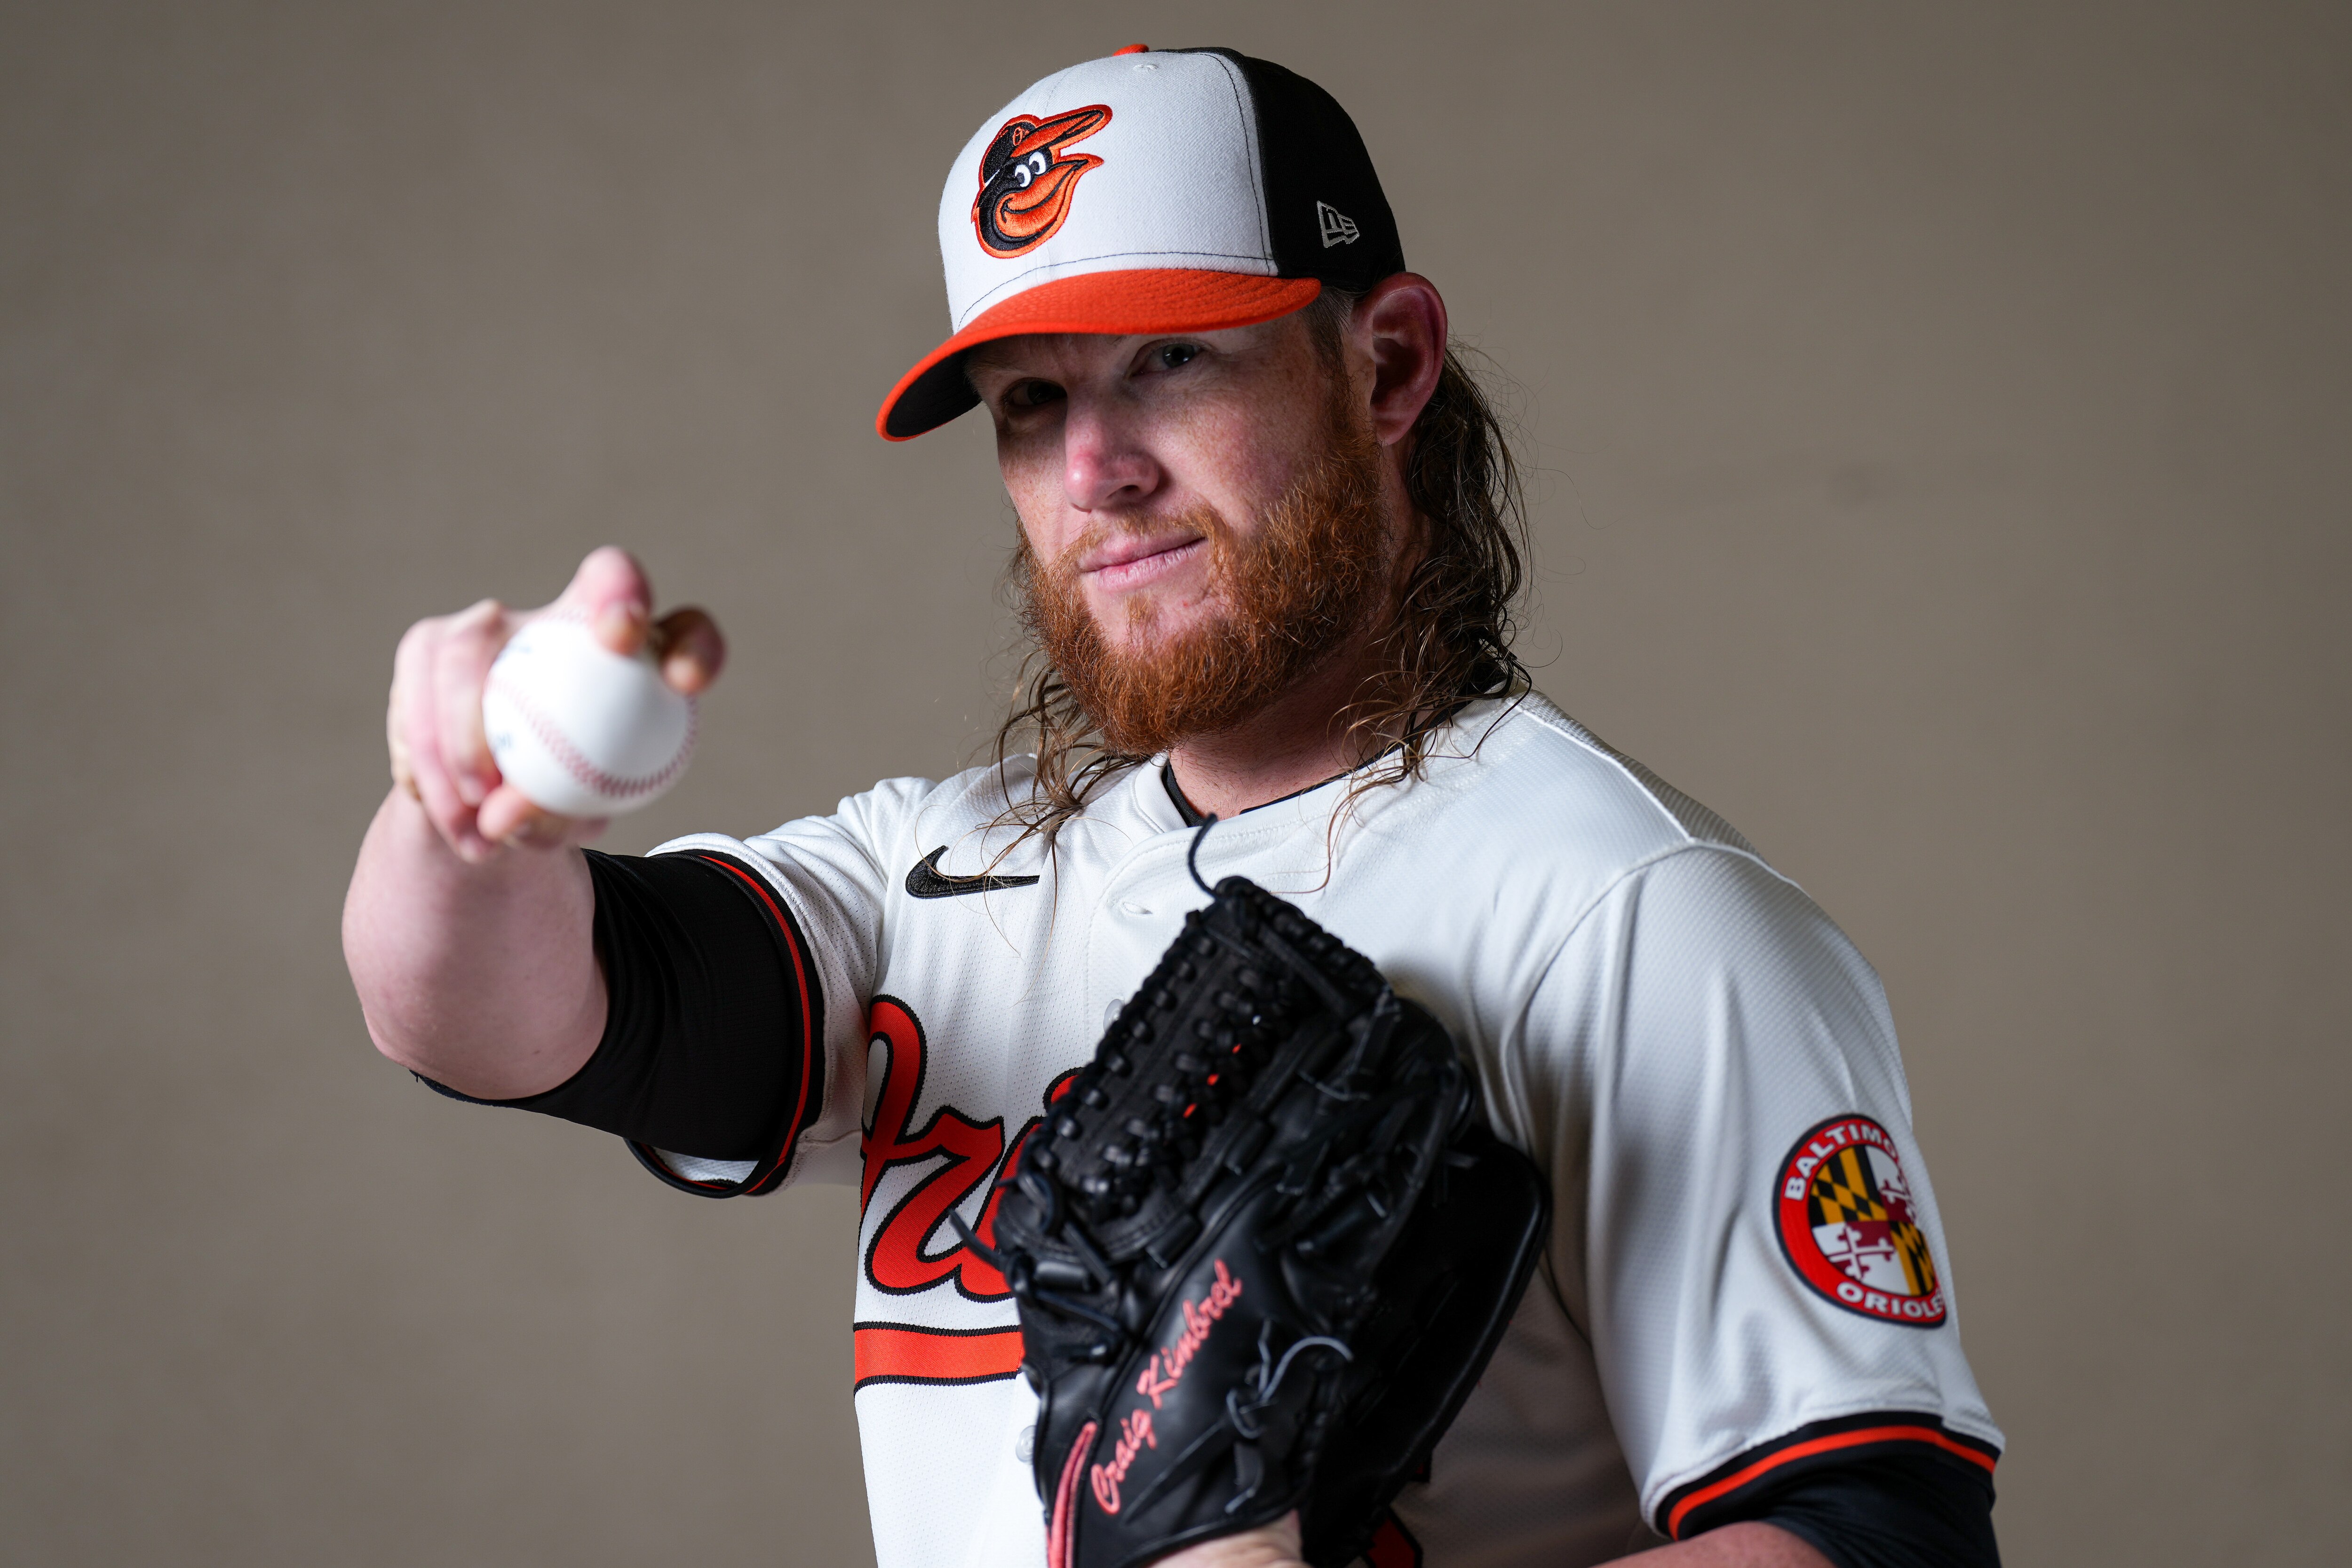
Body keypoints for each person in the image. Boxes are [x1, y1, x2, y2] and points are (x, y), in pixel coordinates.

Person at [343, 46, 2002, 1568]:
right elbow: (501, 1018)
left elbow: (1887, 1535)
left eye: (1170, 364)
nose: (1093, 474)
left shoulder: (1628, 911)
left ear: (1392, 363)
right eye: (1034, 405)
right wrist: (471, 810)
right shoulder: (938, 877)